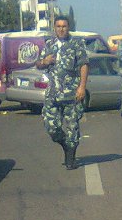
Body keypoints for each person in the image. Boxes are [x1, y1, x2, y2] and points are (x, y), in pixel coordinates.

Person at [36, 14, 88, 169]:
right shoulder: (49, 44)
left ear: (68, 27)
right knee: (50, 125)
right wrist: (45, 62)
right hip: (53, 92)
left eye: (64, 26)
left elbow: (84, 65)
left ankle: (70, 157)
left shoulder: (76, 44)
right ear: (54, 28)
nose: (61, 29)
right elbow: (38, 64)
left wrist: (82, 86)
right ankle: (65, 143)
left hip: (71, 92)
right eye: (58, 26)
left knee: (72, 125)